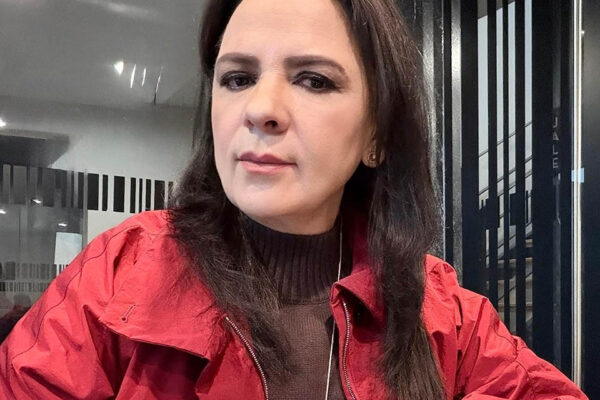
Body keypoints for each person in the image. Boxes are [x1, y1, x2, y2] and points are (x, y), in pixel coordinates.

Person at [0, 0, 588, 399]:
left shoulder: (439, 309)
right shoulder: (118, 276)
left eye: (314, 80)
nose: (260, 109)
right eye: (237, 78)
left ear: (377, 136)